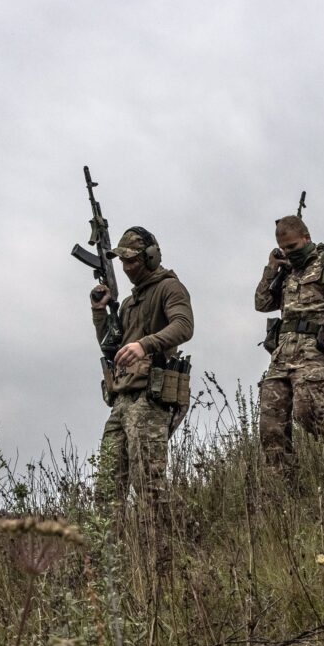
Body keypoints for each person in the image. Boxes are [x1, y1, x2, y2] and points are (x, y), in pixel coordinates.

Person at [89, 227, 193, 563]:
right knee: (107, 487)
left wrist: (145, 344)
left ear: (150, 257)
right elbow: (111, 346)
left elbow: (184, 326)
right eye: (123, 260)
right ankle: (108, 564)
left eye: (132, 260)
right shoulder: (130, 302)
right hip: (122, 400)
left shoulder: (169, 288)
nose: (126, 267)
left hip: (152, 397)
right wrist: (99, 312)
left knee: (149, 483)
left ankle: (163, 559)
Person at [254, 214, 324, 468]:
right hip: (282, 355)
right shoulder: (286, 273)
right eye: (283, 249)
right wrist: (272, 267)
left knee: (310, 413)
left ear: (306, 238)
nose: (289, 253)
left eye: (293, 247)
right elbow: (261, 303)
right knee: (270, 425)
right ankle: (285, 490)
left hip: (315, 350)